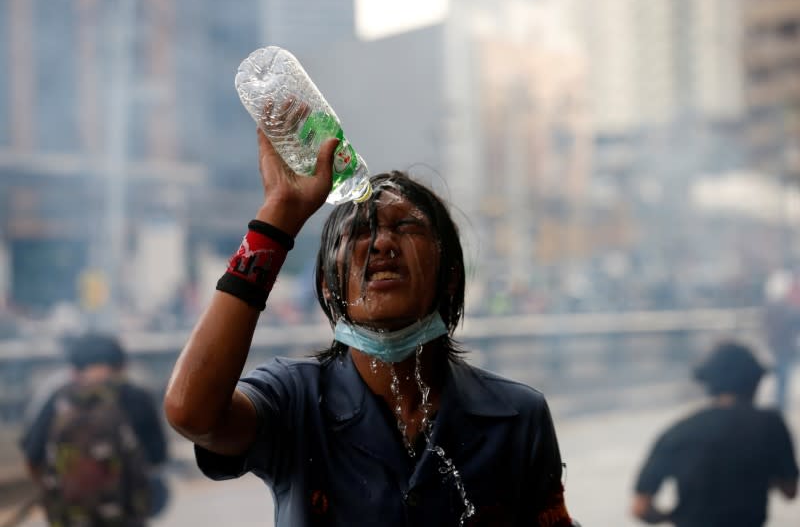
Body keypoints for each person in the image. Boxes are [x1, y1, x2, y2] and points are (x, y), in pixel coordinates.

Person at [164, 128, 578, 526]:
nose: (381, 244)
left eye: (406, 227)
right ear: (328, 286)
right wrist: (278, 218)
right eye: (360, 232)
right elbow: (192, 413)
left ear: (450, 275)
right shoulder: (295, 401)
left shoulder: (517, 416)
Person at [631, 340, 799, 526]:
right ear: (754, 381)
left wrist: (672, 516)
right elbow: (789, 490)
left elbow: (641, 508)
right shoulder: (770, 425)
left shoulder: (680, 431)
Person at [19, 333, 169, 527]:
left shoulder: (58, 399)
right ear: (121, 366)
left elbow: (33, 458)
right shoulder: (137, 397)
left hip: (69, 517)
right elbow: (159, 457)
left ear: (74, 369)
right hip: (126, 517)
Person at [763, 270, 800, 411]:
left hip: (781, 347)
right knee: (782, 379)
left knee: (782, 378)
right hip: (782, 348)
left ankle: (780, 404)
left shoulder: (775, 308)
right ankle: (780, 405)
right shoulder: (781, 309)